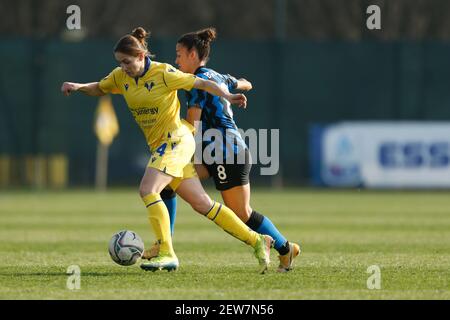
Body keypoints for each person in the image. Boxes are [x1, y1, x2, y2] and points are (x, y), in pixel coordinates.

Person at [61, 27, 273, 274]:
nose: (123, 67)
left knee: (148, 189)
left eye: (127, 62)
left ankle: (167, 252)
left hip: (177, 140)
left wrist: (227, 93)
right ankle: (257, 240)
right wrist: (77, 86)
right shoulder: (121, 77)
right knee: (202, 204)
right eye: (120, 62)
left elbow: (202, 82)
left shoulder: (164, 73)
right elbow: (101, 87)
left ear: (141, 57)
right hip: (164, 146)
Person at [145, 28, 300, 273]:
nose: (176, 61)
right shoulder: (216, 76)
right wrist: (238, 90)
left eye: (179, 55)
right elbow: (246, 82)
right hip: (219, 151)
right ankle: (165, 245)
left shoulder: (198, 84)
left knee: (242, 213)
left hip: (225, 152)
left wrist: (182, 149)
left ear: (193, 54)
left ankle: (285, 248)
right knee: (168, 182)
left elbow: (193, 124)